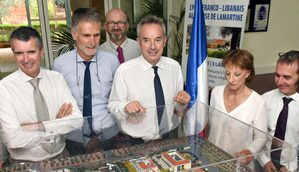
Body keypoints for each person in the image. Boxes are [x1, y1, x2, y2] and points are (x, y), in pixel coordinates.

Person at [0, 26, 82, 162]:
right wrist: (56, 125)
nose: (26, 59)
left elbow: (77, 120)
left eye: (31, 52)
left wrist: (37, 126)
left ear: (41, 52)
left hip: (61, 157)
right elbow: (13, 139)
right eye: (19, 53)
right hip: (24, 163)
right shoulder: (4, 88)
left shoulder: (57, 79)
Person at [108, 15, 190, 144]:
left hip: (169, 136)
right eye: (146, 40)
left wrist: (182, 101)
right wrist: (125, 106)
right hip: (135, 142)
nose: (153, 47)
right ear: (139, 42)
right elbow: (112, 106)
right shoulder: (124, 71)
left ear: (164, 41)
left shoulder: (174, 67)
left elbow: (177, 108)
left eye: (157, 40)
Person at [53, 8, 120, 154]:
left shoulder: (112, 61)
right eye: (86, 35)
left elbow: (118, 98)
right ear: (74, 34)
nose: (93, 42)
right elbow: (57, 102)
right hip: (75, 137)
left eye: (96, 35)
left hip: (108, 134)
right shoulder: (60, 64)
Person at [208, 49, 268, 163]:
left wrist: (248, 152)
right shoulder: (216, 92)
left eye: (237, 74)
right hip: (212, 157)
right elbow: (211, 125)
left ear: (248, 73)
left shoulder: (258, 102)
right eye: (227, 73)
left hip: (239, 164)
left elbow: (261, 138)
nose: (231, 79)